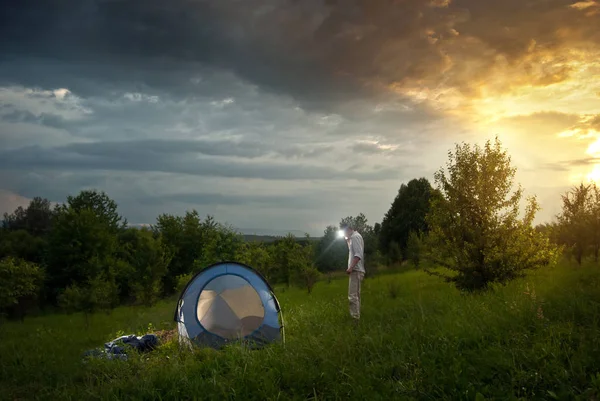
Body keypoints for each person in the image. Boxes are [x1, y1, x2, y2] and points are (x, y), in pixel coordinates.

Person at [341, 222, 365, 322]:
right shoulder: (353, 237)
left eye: (343, 232)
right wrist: (347, 241)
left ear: (348, 229)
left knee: (352, 296)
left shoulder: (355, 237)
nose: (344, 234)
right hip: (356, 270)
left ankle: (355, 319)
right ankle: (356, 317)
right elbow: (353, 251)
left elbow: (358, 254)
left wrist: (351, 267)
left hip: (356, 270)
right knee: (356, 296)